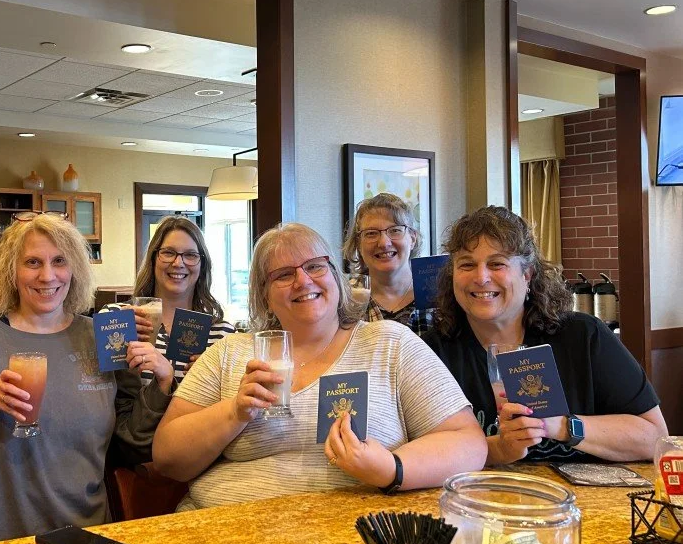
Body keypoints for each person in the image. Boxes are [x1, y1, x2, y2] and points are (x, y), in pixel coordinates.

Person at [152, 223, 486, 510]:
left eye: (315, 267)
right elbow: (168, 458)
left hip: (352, 539)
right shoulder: (228, 354)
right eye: (283, 275)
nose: (302, 281)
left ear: (335, 277)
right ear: (264, 294)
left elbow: (467, 443)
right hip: (222, 537)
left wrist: (391, 468)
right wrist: (234, 413)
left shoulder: (389, 343)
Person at [0, 213, 173, 544]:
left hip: (86, 535)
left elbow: (130, 439)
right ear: (11, 272)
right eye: (32, 262)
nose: (47, 276)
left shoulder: (98, 337)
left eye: (59, 261)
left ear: (75, 269)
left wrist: (161, 383)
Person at [422, 206, 667, 464]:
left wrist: (560, 425)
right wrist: (501, 447)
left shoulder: (583, 336)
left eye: (497, 264)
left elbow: (654, 437)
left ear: (527, 275)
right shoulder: (431, 351)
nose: (481, 277)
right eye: (467, 264)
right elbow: (418, 449)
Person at [103, 215, 236, 387]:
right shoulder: (116, 315)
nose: (178, 263)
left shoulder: (223, 335)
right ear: (153, 259)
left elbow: (231, 403)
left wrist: (213, 382)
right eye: (168, 253)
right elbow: (97, 388)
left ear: (202, 265)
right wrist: (119, 338)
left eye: (190, 255)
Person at [343, 192, 432, 333]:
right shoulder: (343, 301)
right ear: (359, 244)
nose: (384, 243)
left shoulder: (441, 296)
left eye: (395, 230)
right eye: (371, 233)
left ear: (413, 239)